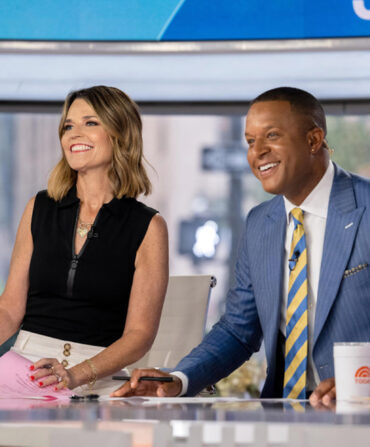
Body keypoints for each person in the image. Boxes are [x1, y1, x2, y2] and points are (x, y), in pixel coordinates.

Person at [111, 87, 370, 404]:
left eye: (271, 135)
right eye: (250, 141)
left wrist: (362, 380)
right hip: (283, 414)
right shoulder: (261, 223)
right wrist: (180, 378)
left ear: (313, 140)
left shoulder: (366, 208)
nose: (257, 151)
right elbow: (238, 329)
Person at [0, 85, 168, 395]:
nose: (74, 134)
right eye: (68, 126)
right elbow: (9, 310)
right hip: (24, 372)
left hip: (96, 378)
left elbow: (139, 334)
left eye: (90, 123)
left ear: (120, 133)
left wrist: (75, 375)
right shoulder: (39, 207)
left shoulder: (149, 226)